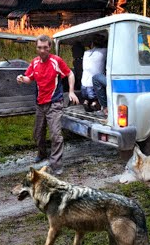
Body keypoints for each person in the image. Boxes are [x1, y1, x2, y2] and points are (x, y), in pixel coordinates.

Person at [16, 35, 79, 175]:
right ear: (36, 47)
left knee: (56, 135)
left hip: (54, 103)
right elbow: (29, 78)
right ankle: (42, 154)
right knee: (38, 133)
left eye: (45, 47)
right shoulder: (34, 62)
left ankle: (56, 164)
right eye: (39, 47)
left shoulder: (56, 61)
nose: (42, 50)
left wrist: (71, 92)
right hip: (40, 104)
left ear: (50, 47)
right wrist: (21, 78)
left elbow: (70, 74)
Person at [81, 35, 107, 112]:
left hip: (83, 86)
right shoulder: (104, 51)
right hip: (93, 88)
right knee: (102, 83)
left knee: (88, 96)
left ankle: (86, 102)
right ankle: (94, 103)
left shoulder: (86, 52)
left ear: (92, 44)